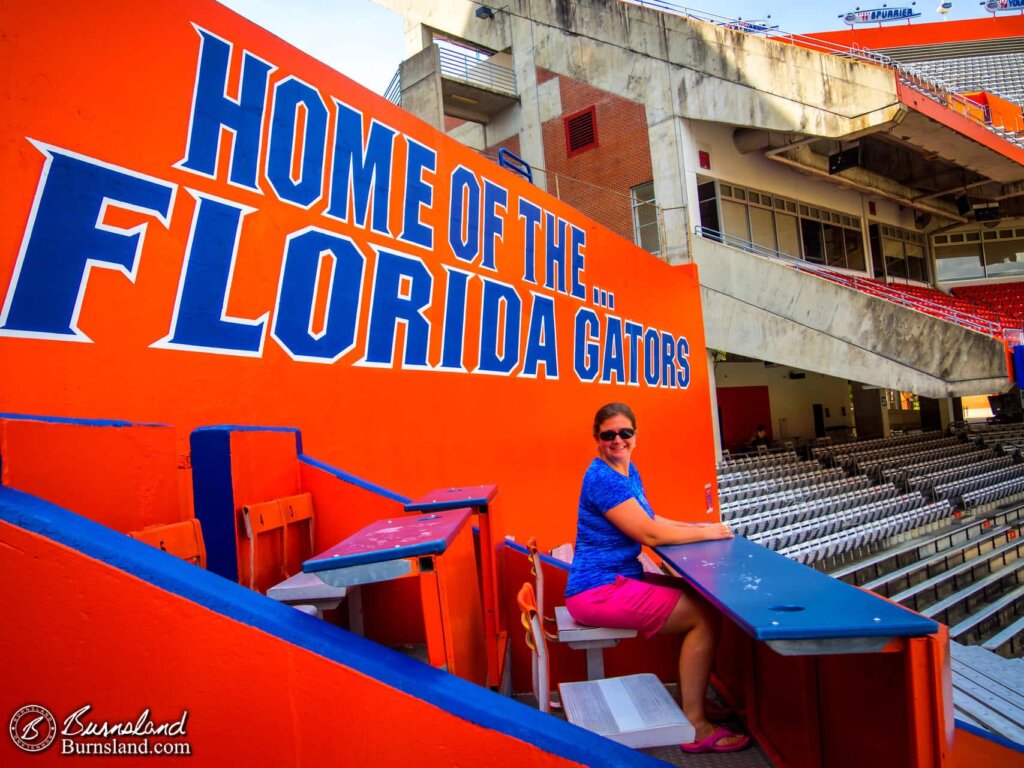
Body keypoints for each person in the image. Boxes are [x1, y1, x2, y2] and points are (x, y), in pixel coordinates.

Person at [565, 402, 749, 754]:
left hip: (619, 579)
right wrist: (707, 533)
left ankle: (690, 702)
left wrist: (698, 527)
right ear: (597, 439)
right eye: (608, 435)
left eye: (625, 433)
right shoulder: (602, 478)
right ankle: (695, 726)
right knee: (700, 616)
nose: (617, 440)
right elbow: (650, 535)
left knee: (706, 601)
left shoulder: (626, 470)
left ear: (635, 435)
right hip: (597, 591)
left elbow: (652, 518)